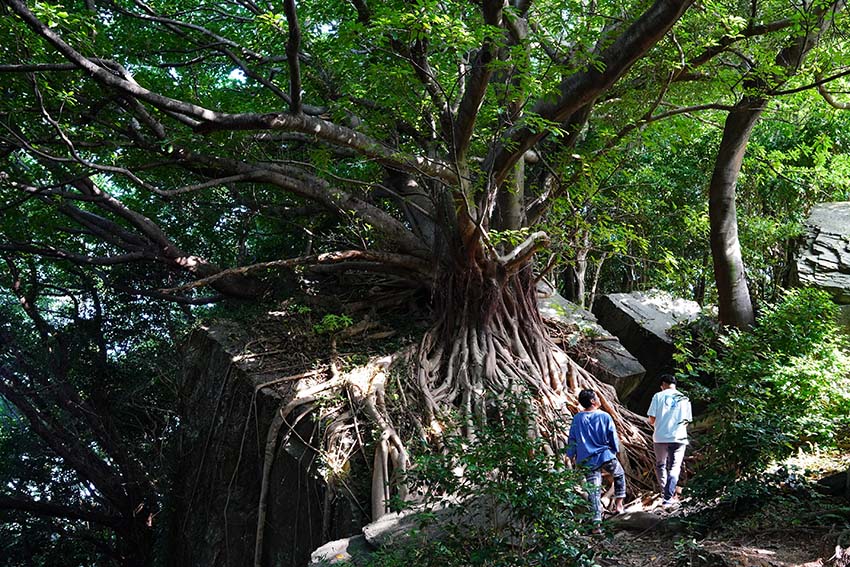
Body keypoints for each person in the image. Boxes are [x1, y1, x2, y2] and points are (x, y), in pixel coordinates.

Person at [567, 389, 627, 528]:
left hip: (587, 459)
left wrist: (570, 455)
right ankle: (619, 505)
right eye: (597, 397)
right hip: (605, 455)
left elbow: (572, 439)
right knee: (619, 474)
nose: (600, 399)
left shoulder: (577, 418)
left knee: (594, 491)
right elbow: (612, 436)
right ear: (593, 401)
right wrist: (614, 451)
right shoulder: (604, 416)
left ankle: (596, 525)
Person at [647, 374, 692, 507]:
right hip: (679, 437)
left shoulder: (658, 396)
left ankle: (664, 492)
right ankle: (668, 496)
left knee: (661, 465)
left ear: (663, 385)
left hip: (660, 437)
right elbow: (687, 422)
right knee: (674, 466)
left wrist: (660, 424)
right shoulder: (684, 398)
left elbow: (652, 419)